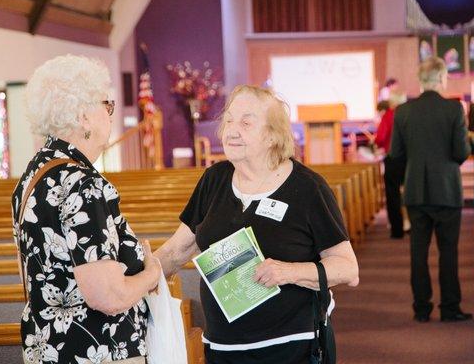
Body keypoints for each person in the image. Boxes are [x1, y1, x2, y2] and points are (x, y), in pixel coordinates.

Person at [154, 85, 359, 363]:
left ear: (273, 136)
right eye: (228, 121)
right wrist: (132, 279)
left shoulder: (308, 189)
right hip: (222, 348)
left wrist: (288, 272)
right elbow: (176, 252)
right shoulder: (214, 180)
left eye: (246, 123)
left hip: (289, 348)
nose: (232, 130)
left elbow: (348, 268)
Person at [12, 55, 161, 364]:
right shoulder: (82, 184)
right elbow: (108, 297)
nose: (110, 115)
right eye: (107, 106)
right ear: (84, 117)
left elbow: (33, 273)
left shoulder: (33, 175)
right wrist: (151, 276)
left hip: (48, 347)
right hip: (95, 350)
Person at [390, 57, 471, 323]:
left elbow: (396, 154)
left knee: (418, 252)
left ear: (422, 81)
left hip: (415, 189)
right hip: (447, 190)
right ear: (441, 78)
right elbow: (461, 153)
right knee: (448, 252)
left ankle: (421, 309)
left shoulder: (403, 111)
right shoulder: (454, 109)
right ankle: (450, 308)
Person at [375, 92, 407, 238]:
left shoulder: (389, 115)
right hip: (410, 159)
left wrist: (377, 143)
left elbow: (381, 137)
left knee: (393, 194)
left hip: (393, 158)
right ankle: (413, 224)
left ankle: (397, 229)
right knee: (410, 191)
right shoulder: (408, 114)